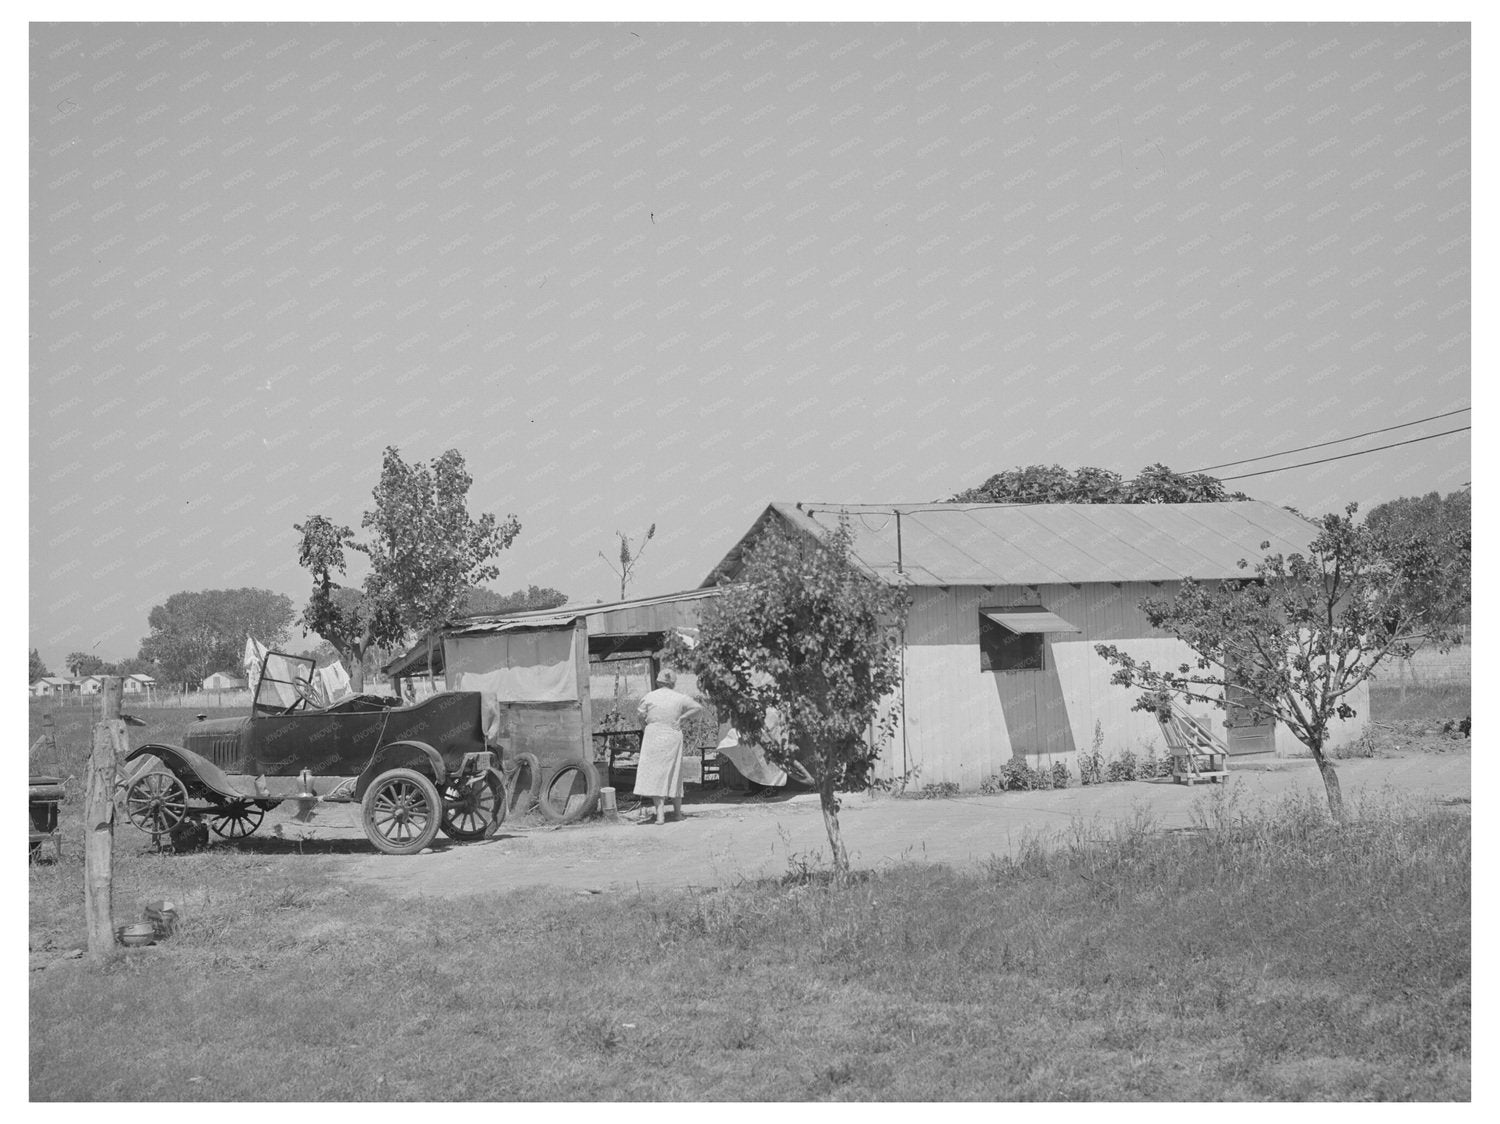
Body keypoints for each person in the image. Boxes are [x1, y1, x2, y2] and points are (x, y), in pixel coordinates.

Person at [634, 668, 704, 824]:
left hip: (653, 734)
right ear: (673, 683)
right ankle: (678, 814)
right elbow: (698, 708)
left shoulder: (650, 696)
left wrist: (644, 726)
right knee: (674, 773)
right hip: (672, 733)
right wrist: (682, 718)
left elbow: (640, 714)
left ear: (659, 681)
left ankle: (660, 815)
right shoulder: (679, 697)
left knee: (655, 773)